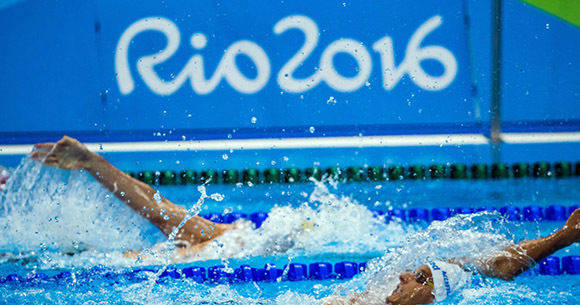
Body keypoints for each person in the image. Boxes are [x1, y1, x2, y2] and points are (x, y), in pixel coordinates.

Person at [30, 136, 579, 304]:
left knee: (174, 230)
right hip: (273, 243)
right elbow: (503, 262)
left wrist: (562, 237)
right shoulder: (426, 282)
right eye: (420, 276)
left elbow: (504, 265)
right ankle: (95, 164)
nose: (412, 275)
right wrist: (562, 235)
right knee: (176, 228)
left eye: (421, 282)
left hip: (269, 248)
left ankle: (94, 165)